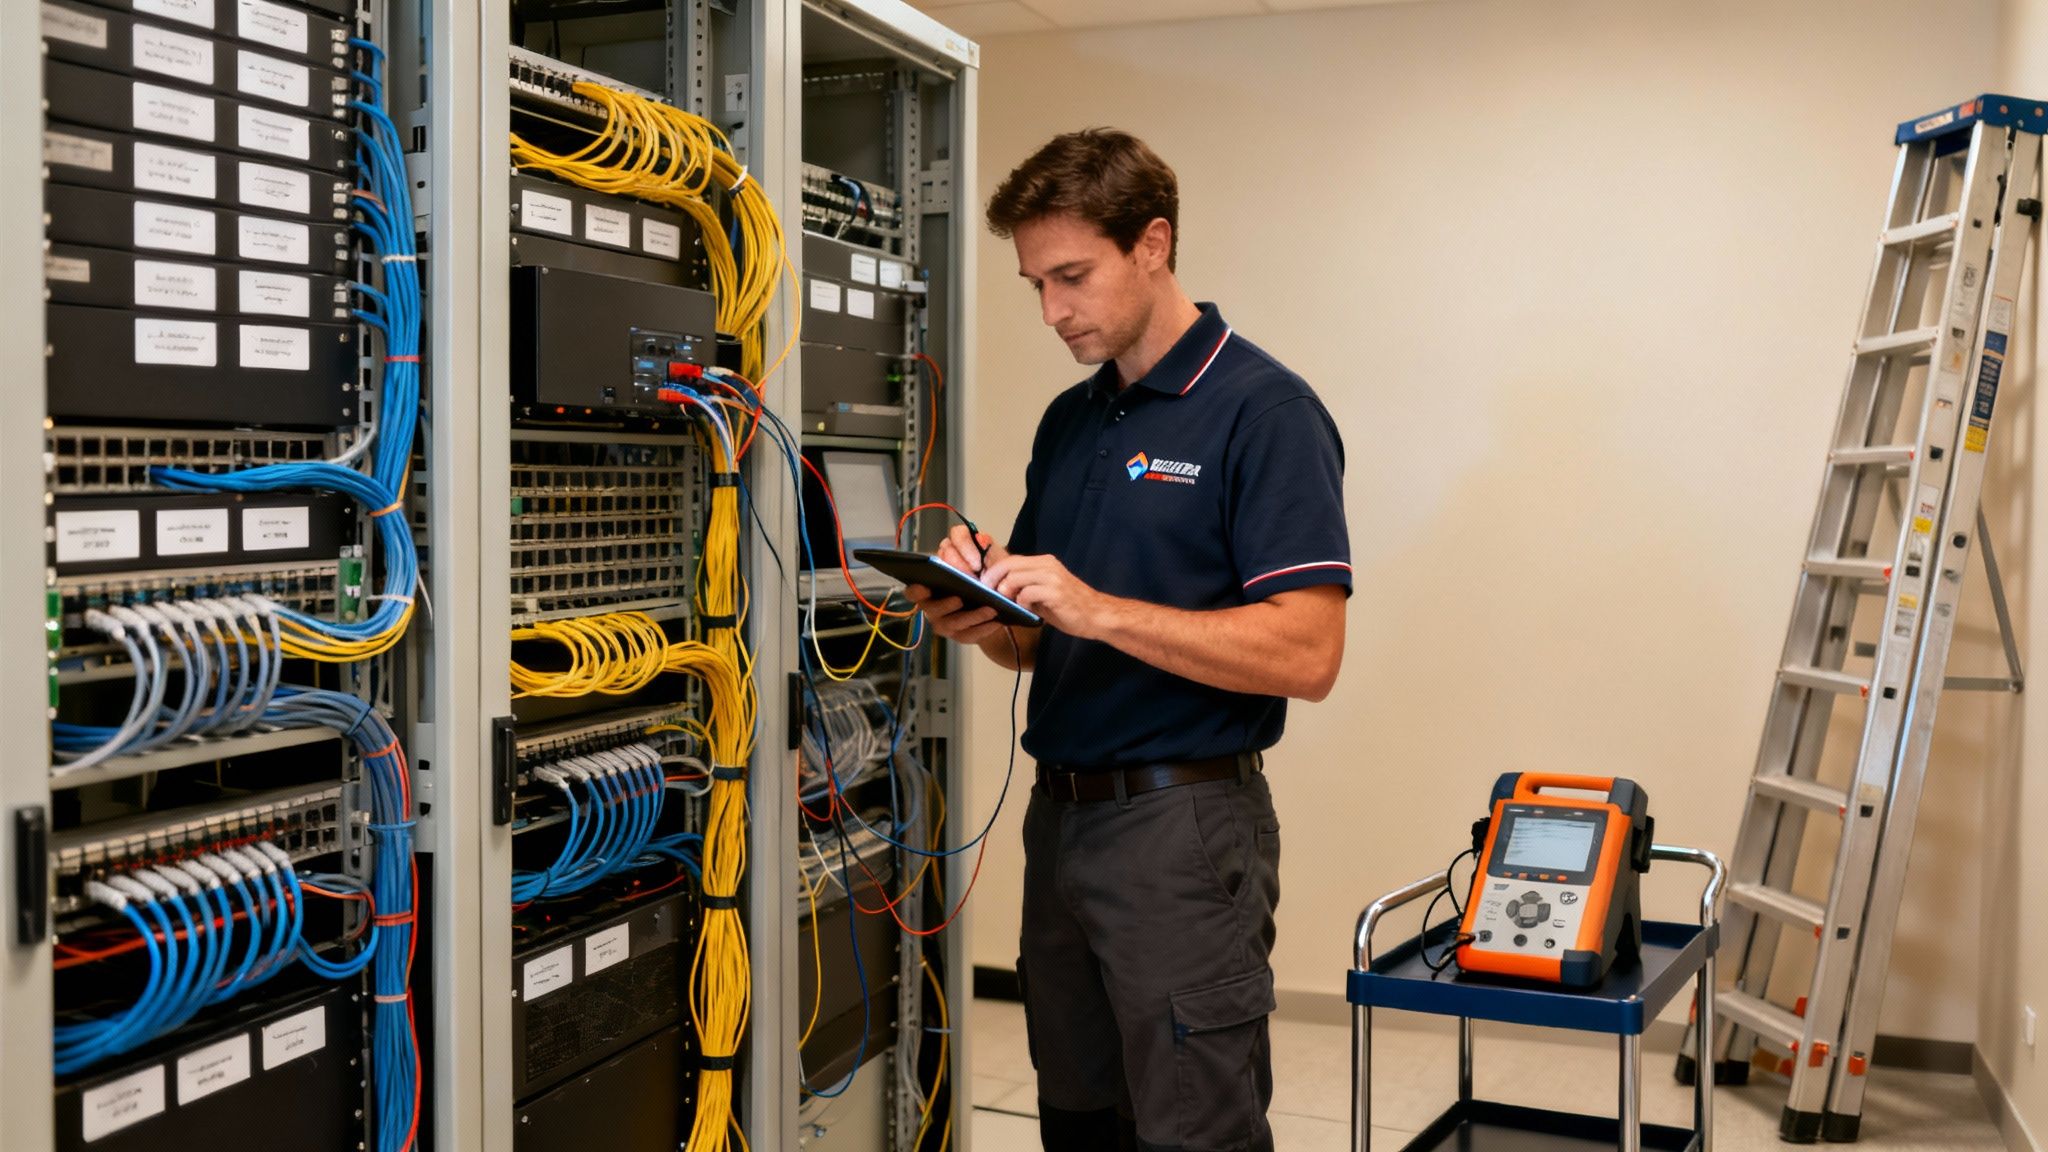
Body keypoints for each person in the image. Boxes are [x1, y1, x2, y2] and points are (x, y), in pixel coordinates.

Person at [905, 128, 1351, 1152]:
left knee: (1192, 1128)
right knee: (1075, 1117)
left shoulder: (1262, 411)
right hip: (1059, 824)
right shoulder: (1072, 420)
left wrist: (1094, 606)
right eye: (1035, 285)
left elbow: (1306, 656)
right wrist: (983, 617)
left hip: (1182, 830)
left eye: (1072, 276)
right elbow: (1038, 642)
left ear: (1151, 244)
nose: (1054, 310)